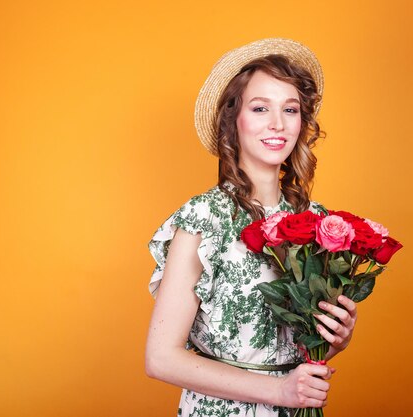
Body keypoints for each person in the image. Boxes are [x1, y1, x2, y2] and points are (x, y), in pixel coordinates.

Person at [145, 38, 358, 417]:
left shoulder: (318, 222)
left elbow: (301, 343)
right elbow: (161, 358)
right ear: (233, 120)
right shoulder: (204, 218)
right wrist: (279, 390)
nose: (278, 123)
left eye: (290, 110)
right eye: (260, 108)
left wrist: (335, 337)